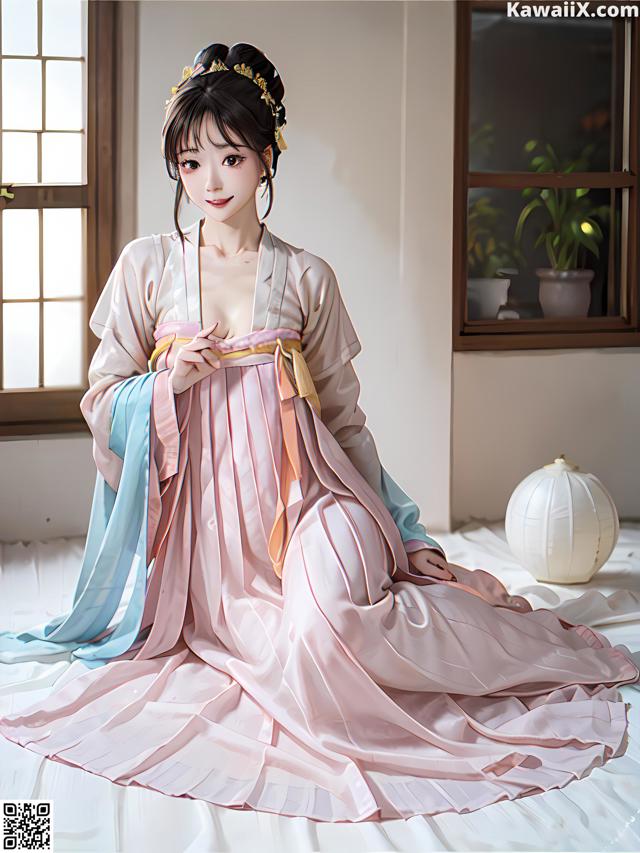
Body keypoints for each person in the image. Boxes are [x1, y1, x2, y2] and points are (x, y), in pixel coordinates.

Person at [0, 42, 637, 823]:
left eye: (230, 158)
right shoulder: (146, 268)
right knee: (302, 650)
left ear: (267, 159)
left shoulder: (306, 278)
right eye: (191, 162)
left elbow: (343, 420)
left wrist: (403, 530)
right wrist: (167, 383)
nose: (209, 181)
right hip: (213, 547)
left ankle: (540, 654)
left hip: (312, 500)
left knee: (334, 621)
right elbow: (102, 400)